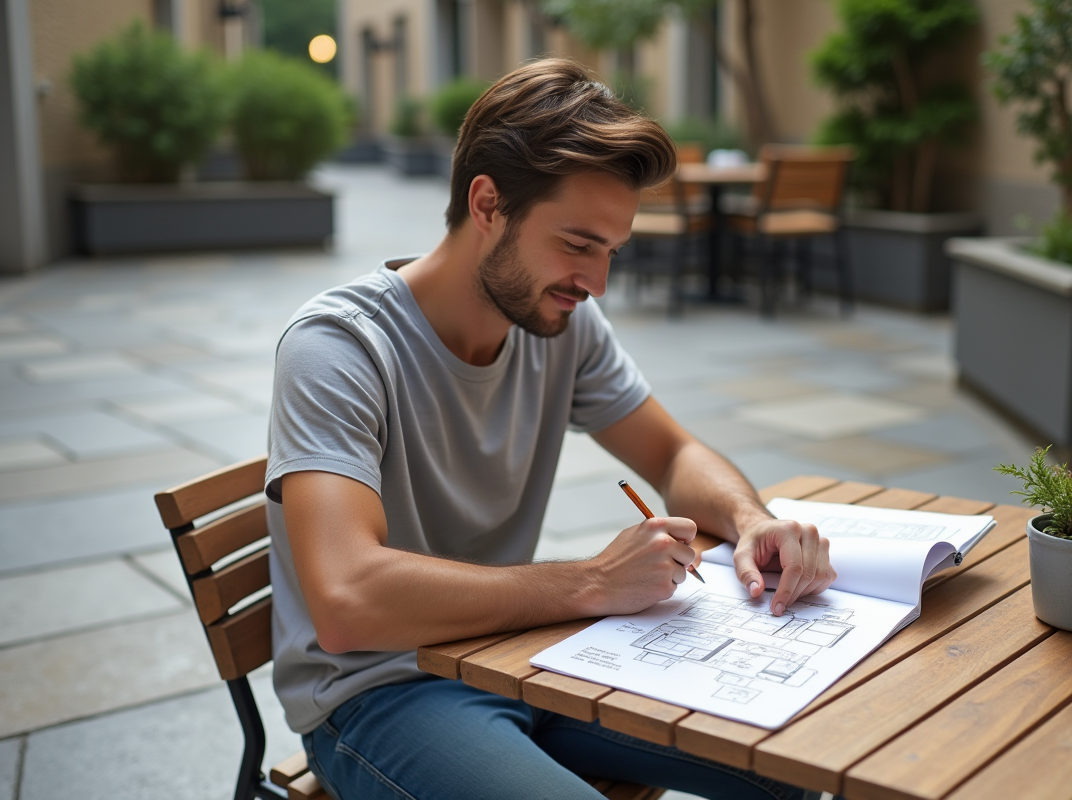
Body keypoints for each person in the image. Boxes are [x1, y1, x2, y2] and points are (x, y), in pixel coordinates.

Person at [266, 58, 836, 800]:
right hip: (382, 689)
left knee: (803, 763)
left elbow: (673, 451)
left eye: (610, 251)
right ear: (487, 204)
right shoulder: (339, 348)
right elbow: (347, 602)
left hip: (528, 656)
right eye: (576, 244)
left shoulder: (563, 324)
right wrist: (593, 582)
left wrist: (749, 517)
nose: (596, 283)